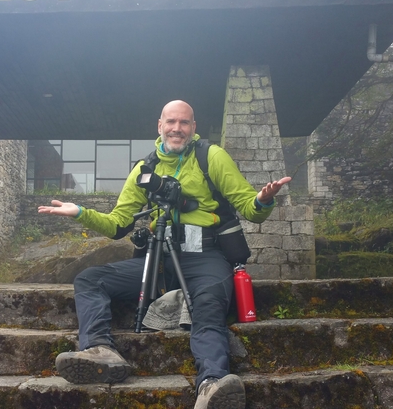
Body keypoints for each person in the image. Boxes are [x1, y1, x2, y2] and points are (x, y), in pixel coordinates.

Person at [38, 100, 291, 409]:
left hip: (206, 255)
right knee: (90, 279)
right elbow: (118, 224)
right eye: (171, 122)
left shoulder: (211, 156)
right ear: (159, 126)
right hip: (159, 258)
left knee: (209, 304)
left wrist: (263, 200)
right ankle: (100, 351)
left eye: (184, 123)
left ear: (193, 128)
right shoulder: (145, 170)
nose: (177, 128)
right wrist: (80, 212)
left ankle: (211, 384)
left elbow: (249, 208)